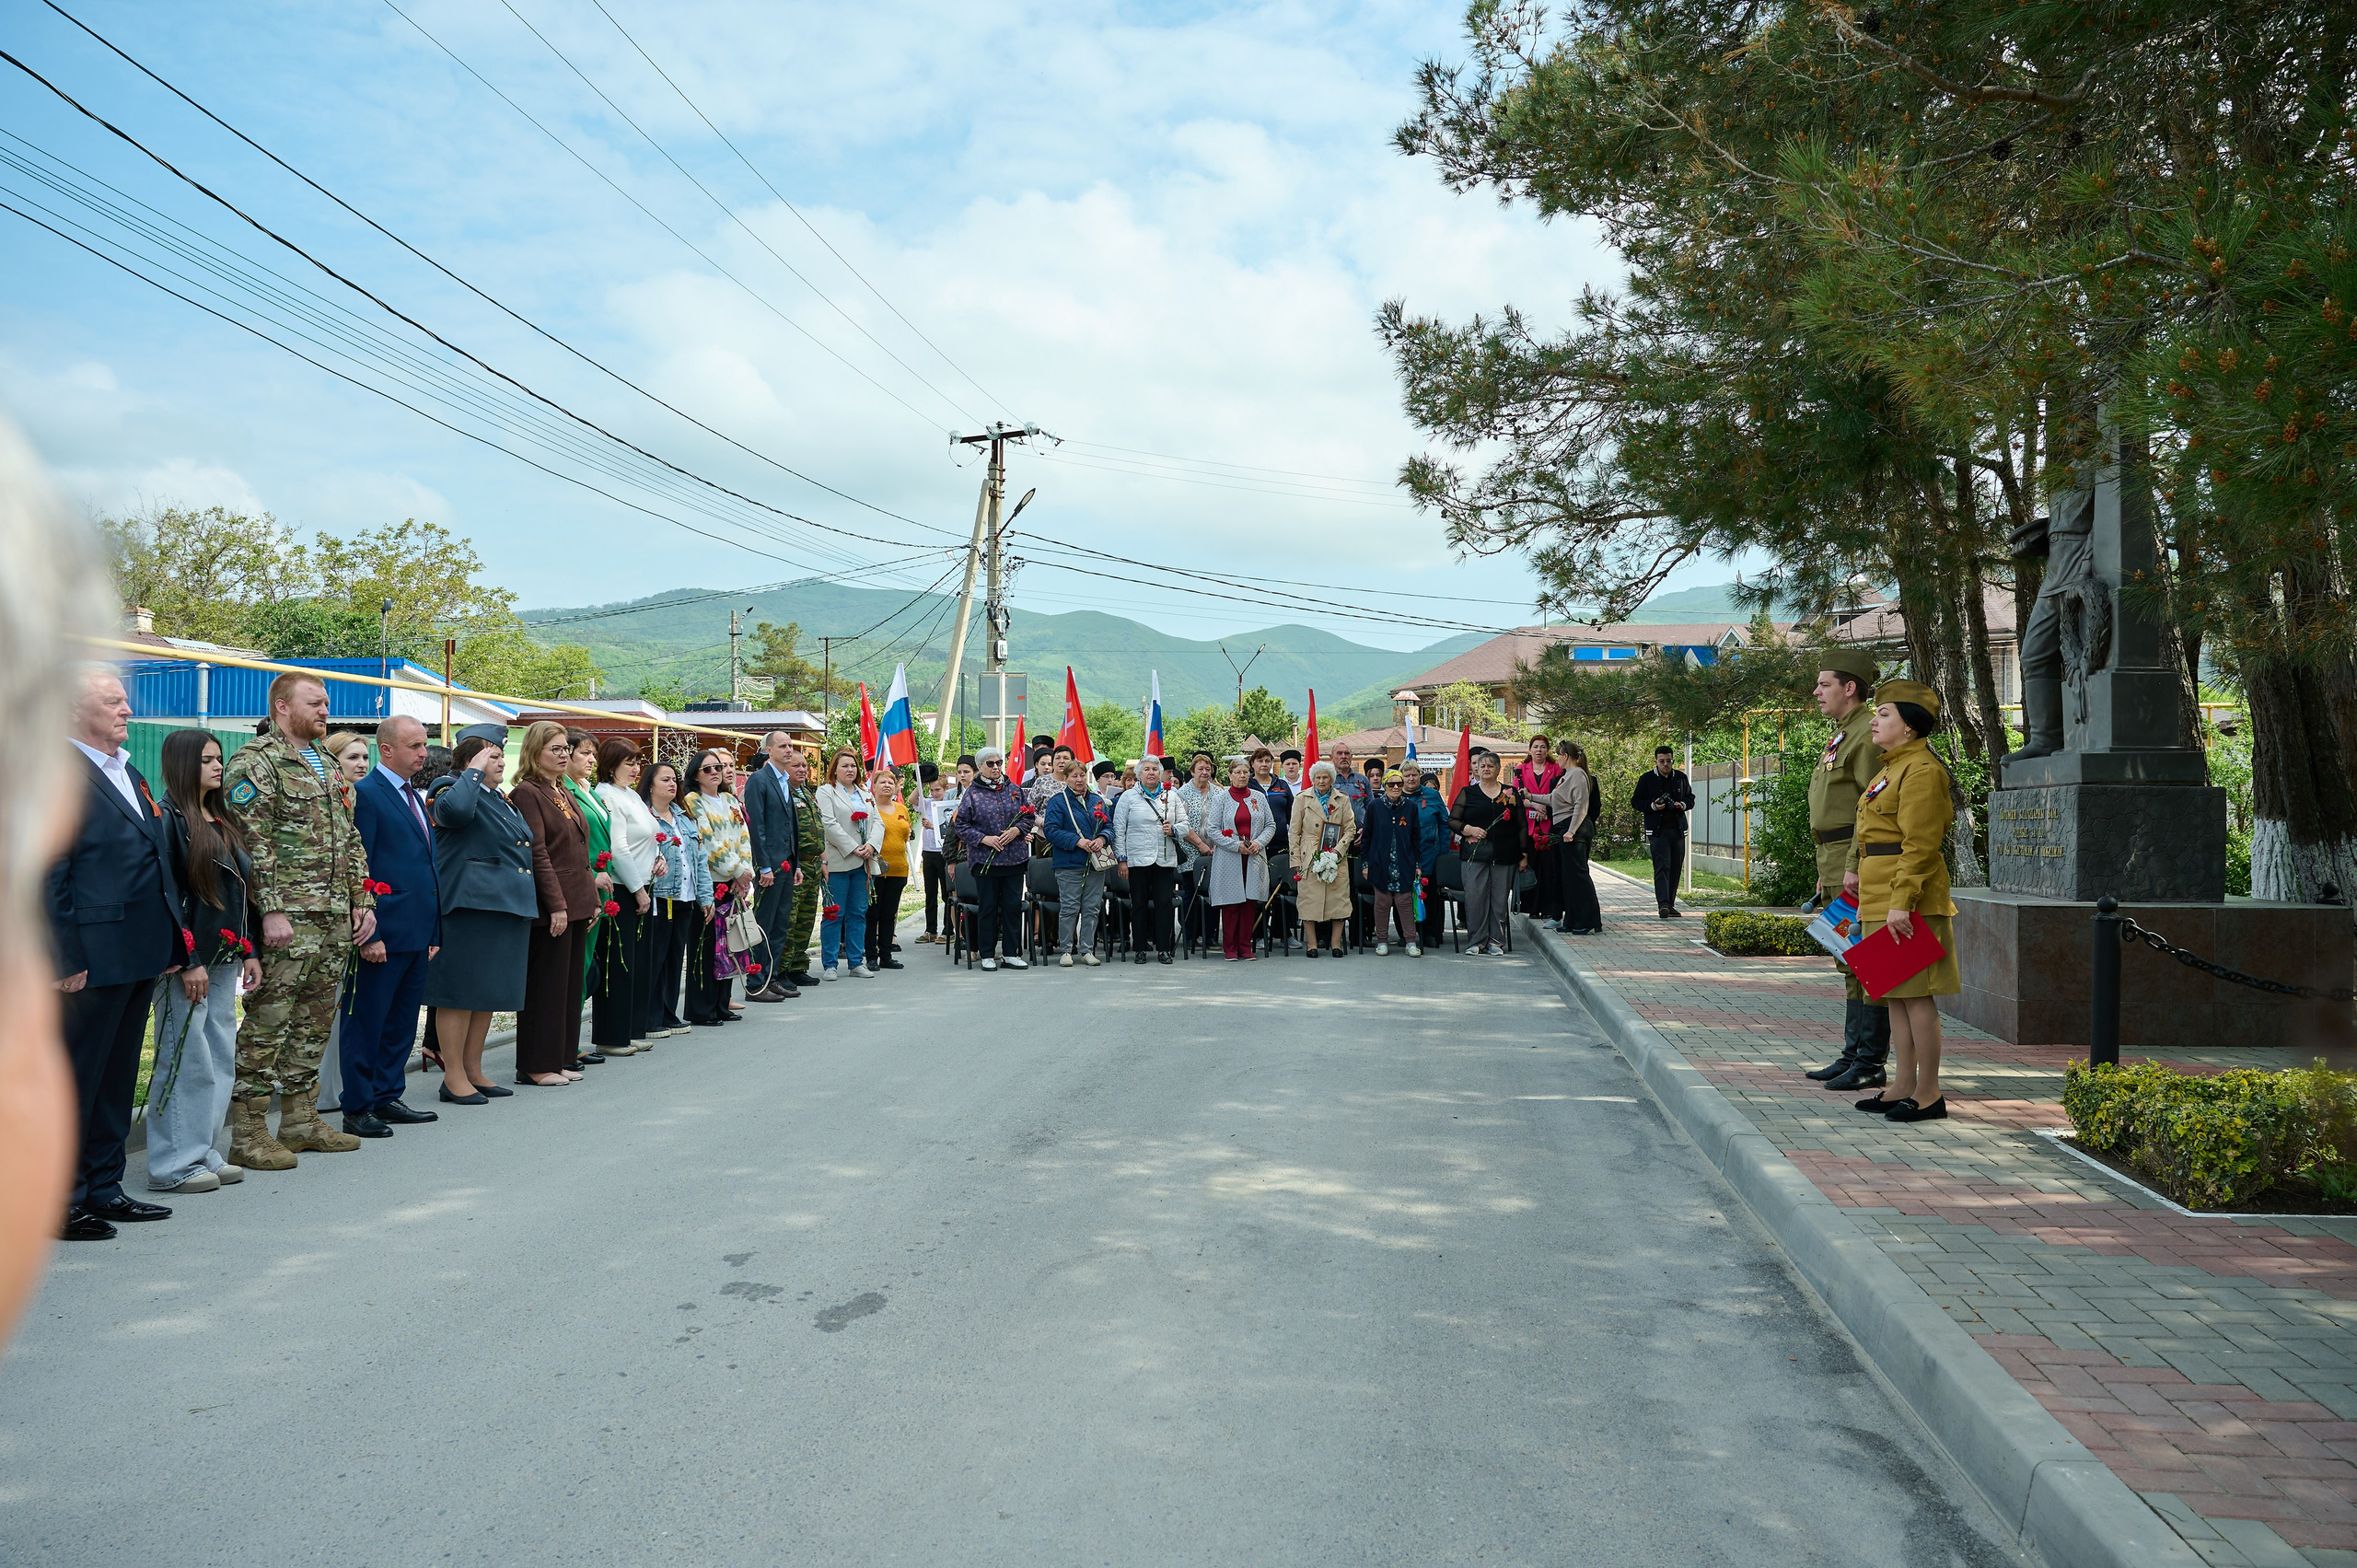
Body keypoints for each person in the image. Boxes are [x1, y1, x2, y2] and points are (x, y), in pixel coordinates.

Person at [50, 670, 192, 1237]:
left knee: (115, 1078)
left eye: (125, 701)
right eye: (112, 702)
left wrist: (173, 938)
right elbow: (47, 873)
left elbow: (156, 862)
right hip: (90, 955)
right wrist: (62, 958)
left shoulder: (127, 769)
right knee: (76, 1081)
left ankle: (104, 1187)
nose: (127, 710)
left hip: (138, 949)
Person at [220, 672, 375, 1166]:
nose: (325, 710)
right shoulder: (257, 761)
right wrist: (270, 910)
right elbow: (251, 842)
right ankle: (247, 1133)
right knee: (269, 1021)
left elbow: (349, 838)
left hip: (333, 915)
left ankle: (300, 1121)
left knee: (314, 1021)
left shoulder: (326, 761)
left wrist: (362, 900)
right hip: (288, 918)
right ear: (282, 706)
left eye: (326, 702)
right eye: (315, 703)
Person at [148, 727, 261, 1193]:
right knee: (185, 1057)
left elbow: (238, 893)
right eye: (207, 760)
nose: (218, 767)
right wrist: (187, 956)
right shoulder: (168, 819)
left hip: (224, 954)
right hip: (187, 961)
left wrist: (248, 948)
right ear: (182, 764)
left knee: (218, 1055)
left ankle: (202, 1150)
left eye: (219, 758)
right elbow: (169, 895)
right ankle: (173, 1163)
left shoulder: (220, 817)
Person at [1851, 681, 1962, 1124]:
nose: (1874, 721)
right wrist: (1868, 896)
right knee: (1895, 996)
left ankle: (1929, 1093)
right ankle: (1902, 1085)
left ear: (1910, 727)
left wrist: (1901, 901)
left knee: (1916, 997)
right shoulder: (1891, 768)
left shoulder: (1921, 771)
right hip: (1881, 892)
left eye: (1884, 714)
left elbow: (1920, 844)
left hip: (1909, 898)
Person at [340, 714, 441, 1138]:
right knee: (367, 1020)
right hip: (383, 931)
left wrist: (434, 932)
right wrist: (371, 933)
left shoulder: (413, 795)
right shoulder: (366, 794)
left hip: (416, 930)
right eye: (414, 746)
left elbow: (426, 866)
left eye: (424, 745)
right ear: (387, 749)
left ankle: (387, 1095)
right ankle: (358, 1105)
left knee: (401, 1021)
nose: (423, 754)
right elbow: (359, 867)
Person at [422, 733, 532, 1104]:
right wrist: (471, 772)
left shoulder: (496, 797)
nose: (501, 762)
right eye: (493, 756)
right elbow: (454, 814)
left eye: (501, 756)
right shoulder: (448, 786)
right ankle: (453, 1076)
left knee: (486, 992)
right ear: (472, 760)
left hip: (502, 905)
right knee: (459, 992)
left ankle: (473, 1069)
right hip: (469, 905)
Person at [1804, 651, 1894, 1093]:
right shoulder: (1844, 733)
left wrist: (1855, 863)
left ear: (1850, 687)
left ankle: (1871, 1061)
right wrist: (1830, 867)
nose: (1817, 692)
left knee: (1868, 960)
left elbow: (1872, 808)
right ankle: (1853, 1054)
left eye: (1824, 684)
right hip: (1835, 858)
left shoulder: (1865, 734)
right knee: (1848, 959)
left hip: (1854, 860)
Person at [510, 723, 591, 1086]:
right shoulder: (527, 792)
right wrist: (557, 904)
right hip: (551, 905)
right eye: (554, 749)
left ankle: (561, 1058)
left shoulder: (561, 789)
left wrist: (588, 902)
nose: (563, 755)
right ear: (534, 751)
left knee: (569, 987)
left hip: (577, 900)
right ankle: (536, 1065)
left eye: (564, 749)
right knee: (547, 987)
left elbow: (579, 849)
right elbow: (537, 853)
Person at [592, 738, 659, 1055]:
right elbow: (618, 848)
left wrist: (659, 858)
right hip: (623, 888)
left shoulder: (631, 794)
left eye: (637, 762)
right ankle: (611, 1036)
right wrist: (638, 890)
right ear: (610, 765)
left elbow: (648, 837)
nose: (635, 769)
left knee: (636, 963)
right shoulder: (607, 794)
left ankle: (631, 1030)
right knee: (618, 964)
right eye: (628, 763)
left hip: (642, 885)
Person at [640, 760, 712, 1036]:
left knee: (674, 958)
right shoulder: (645, 817)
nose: (672, 784)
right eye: (665, 779)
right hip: (658, 897)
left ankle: (669, 1013)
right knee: (655, 959)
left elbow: (699, 860)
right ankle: (650, 1017)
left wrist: (706, 897)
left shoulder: (684, 817)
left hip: (685, 897)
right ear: (650, 785)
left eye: (674, 779)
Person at [683, 749, 752, 1025]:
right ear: (695, 776)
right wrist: (737, 871)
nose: (715, 772)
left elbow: (744, 837)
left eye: (718, 768)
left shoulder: (730, 799)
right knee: (706, 946)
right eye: (707, 769)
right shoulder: (693, 801)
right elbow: (708, 843)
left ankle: (722, 1004)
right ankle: (702, 1009)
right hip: (710, 882)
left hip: (735, 882)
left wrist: (744, 873)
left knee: (730, 944)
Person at [950, 746, 1031, 970]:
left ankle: (1010, 953)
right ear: (980, 767)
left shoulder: (1015, 789)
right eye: (990, 764)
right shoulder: (972, 794)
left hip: (1014, 859)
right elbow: (961, 826)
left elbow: (1028, 816)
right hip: (985, 861)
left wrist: (1017, 830)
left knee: (1012, 907)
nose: (996, 767)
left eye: (999, 763)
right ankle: (987, 953)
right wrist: (984, 839)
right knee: (988, 908)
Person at [742, 731, 803, 1001]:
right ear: (768, 750)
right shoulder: (759, 780)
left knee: (780, 925)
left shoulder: (784, 780)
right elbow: (757, 826)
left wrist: (796, 863)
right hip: (770, 867)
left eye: (790, 745)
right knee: (764, 925)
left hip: (786, 864)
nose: (789, 750)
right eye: (783, 746)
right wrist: (764, 866)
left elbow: (789, 826)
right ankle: (756, 983)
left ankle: (772, 977)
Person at [816, 748, 883, 980]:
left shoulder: (865, 793)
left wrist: (871, 845)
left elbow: (879, 823)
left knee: (858, 913)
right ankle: (830, 964)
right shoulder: (826, 792)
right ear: (834, 769)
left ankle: (856, 962)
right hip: (839, 861)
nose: (850, 770)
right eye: (844, 766)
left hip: (864, 863)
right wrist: (854, 847)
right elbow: (829, 824)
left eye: (853, 765)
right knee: (834, 913)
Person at [1202, 757, 1276, 960]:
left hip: (1254, 857)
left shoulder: (1258, 797)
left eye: (1245, 772)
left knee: (1249, 902)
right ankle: (1230, 948)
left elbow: (1270, 825)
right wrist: (1236, 846)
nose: (1242, 776)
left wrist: (1258, 843)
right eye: (1238, 772)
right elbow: (1212, 830)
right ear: (1230, 775)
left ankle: (1245, 946)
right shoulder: (1221, 798)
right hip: (1230, 857)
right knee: (1231, 903)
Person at [1452, 751, 1526, 955]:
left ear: (1498, 769)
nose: (1486, 769)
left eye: (1490, 766)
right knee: (1475, 899)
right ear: (1476, 769)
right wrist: (1469, 829)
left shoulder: (1510, 793)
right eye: (1482, 766)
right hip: (1474, 856)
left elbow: (1521, 825)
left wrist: (1524, 853)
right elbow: (1452, 820)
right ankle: (1476, 941)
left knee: (1499, 900)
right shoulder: (1468, 792)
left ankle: (1495, 942)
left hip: (1505, 855)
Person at [1041, 761, 1112, 965]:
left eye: (1082, 775)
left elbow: (1109, 826)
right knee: (1070, 907)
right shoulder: (1058, 801)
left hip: (1095, 863)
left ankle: (1087, 950)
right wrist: (1077, 841)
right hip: (1069, 863)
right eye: (1074, 776)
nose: (1079, 779)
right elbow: (1051, 830)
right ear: (1066, 778)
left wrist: (1102, 839)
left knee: (1092, 907)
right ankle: (1066, 950)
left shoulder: (1097, 800)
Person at [1112, 754, 1180, 965]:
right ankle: (1140, 949)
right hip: (1138, 859)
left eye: (1155, 769)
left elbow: (1185, 823)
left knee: (1164, 904)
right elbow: (1119, 829)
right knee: (1139, 904)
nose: (1151, 773)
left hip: (1164, 858)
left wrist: (1174, 829)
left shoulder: (1171, 796)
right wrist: (1122, 859)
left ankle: (1163, 949)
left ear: (1160, 773)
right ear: (1139, 774)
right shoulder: (1128, 797)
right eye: (1147, 769)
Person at [1289, 761, 1356, 956]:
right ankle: (1312, 944)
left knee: (1339, 899)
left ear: (1331, 779)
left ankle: (1336, 944)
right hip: (1309, 855)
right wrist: (1295, 860)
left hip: (1336, 854)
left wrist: (1338, 850)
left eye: (1325, 777)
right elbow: (1294, 832)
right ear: (1312, 779)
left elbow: (1350, 829)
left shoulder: (1342, 799)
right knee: (1309, 899)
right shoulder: (1302, 799)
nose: (1321, 781)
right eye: (1318, 777)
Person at [1362, 772, 1423, 957]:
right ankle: (1382, 941)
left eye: (1399, 784)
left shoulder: (1411, 807)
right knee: (1382, 902)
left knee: (1404, 901)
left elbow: (1416, 838)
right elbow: (1366, 837)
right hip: (1380, 863)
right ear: (1385, 786)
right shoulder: (1374, 806)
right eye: (1391, 784)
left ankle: (1411, 942)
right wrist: (1365, 864)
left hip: (1404, 863)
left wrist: (1417, 864)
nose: (1395, 787)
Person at [779, 748, 826, 988]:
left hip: (814, 864)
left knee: (806, 919)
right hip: (795, 866)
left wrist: (823, 861)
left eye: (804, 766)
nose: (802, 770)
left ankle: (798, 965)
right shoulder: (783, 793)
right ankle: (782, 969)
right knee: (790, 919)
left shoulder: (807, 793)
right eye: (796, 766)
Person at [1544, 744, 1603, 935]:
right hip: (1564, 825)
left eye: (1559, 755)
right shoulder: (1566, 776)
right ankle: (1572, 919)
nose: (1557, 758)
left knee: (1578, 876)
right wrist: (1529, 797)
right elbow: (1553, 800)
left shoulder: (1577, 774)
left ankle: (1588, 920)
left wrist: (1571, 831)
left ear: (1567, 756)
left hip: (1574, 827)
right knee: (1568, 877)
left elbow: (1581, 805)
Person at [1631, 745, 1695, 918]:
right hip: (1657, 832)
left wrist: (1682, 804)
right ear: (1656, 762)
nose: (1665, 764)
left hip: (1678, 830)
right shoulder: (1646, 779)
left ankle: (1670, 904)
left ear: (1673, 761)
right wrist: (1653, 806)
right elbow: (1636, 802)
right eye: (1662, 761)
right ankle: (1663, 904)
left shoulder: (1681, 778)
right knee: (1662, 867)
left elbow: (1690, 798)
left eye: (1668, 761)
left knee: (1675, 868)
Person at [1171, 751, 1221, 952]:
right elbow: (1181, 823)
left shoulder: (1219, 793)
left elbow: (1224, 821)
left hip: (1215, 850)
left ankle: (1211, 935)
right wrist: (1200, 845)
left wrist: (1217, 844)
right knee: (1191, 893)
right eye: (1200, 769)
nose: (1204, 772)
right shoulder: (1182, 793)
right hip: (1190, 849)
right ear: (1192, 771)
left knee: (1213, 893)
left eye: (1208, 769)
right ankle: (1191, 935)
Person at [1514, 736, 1565, 925]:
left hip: (1549, 822)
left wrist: (1546, 808)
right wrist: (1534, 804)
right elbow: (1516, 797)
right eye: (1535, 747)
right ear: (1529, 750)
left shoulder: (1556, 769)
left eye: (1543, 747)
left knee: (1550, 867)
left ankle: (1550, 907)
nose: (1539, 750)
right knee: (1531, 865)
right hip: (1528, 825)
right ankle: (1532, 908)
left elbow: (1561, 793)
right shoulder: (1521, 769)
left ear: (1547, 750)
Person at [1401, 761, 1450, 950]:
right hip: (1404, 855)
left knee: (1428, 895)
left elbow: (1444, 824)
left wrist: (1443, 854)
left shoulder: (1432, 795)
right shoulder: (1396, 796)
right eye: (1407, 775)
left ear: (1419, 776)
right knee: (1404, 895)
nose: (1411, 779)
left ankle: (1429, 933)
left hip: (1429, 854)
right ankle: (1406, 934)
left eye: (1414, 775)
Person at [867, 768, 911, 971]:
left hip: (898, 869)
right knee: (872, 914)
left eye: (891, 783)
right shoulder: (869, 808)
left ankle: (886, 955)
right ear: (874, 787)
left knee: (889, 914)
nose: (887, 785)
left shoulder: (902, 809)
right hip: (875, 871)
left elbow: (905, 835)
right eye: (882, 782)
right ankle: (871, 957)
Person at [916, 761, 948, 946]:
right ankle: (930, 929)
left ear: (945, 789)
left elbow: (948, 828)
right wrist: (922, 781)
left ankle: (948, 929)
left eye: (938, 790)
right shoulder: (927, 802)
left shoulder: (948, 805)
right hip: (928, 852)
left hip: (943, 852)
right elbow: (913, 799)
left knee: (946, 892)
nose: (934, 793)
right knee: (930, 893)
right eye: (932, 790)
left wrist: (932, 826)